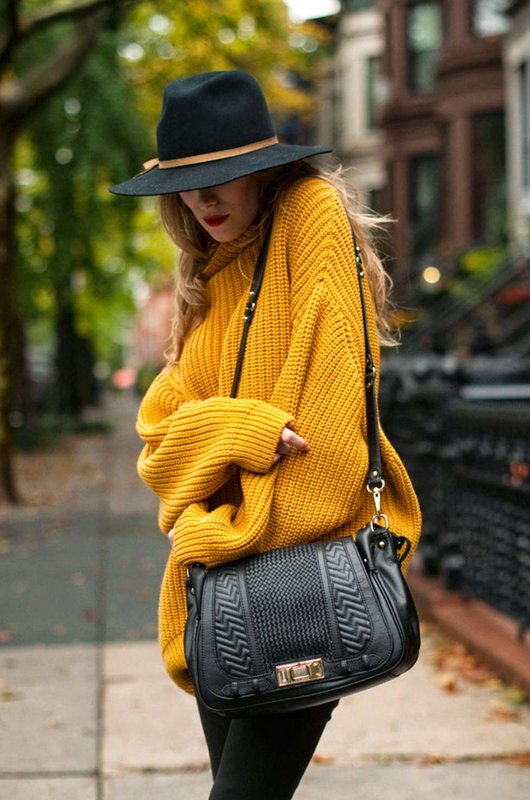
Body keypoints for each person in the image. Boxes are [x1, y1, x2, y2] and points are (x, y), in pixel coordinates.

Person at [110, 70, 421, 800]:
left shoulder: (310, 215)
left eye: (221, 177)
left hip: (299, 581)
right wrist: (244, 427)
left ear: (264, 169)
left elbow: (328, 434)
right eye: (186, 184)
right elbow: (158, 437)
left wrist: (219, 508)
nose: (203, 199)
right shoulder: (209, 274)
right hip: (221, 587)